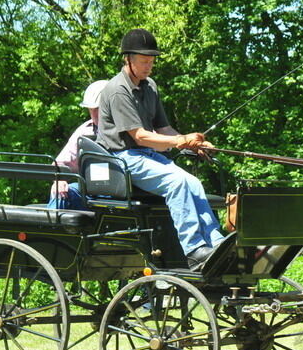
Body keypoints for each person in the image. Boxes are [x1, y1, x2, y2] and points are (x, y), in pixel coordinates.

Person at [97, 28, 226, 269]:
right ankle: (194, 248)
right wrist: (180, 141)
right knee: (176, 183)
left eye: (152, 62)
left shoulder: (150, 86)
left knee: (194, 183)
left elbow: (163, 127)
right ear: (128, 59)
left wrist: (192, 142)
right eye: (144, 61)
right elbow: (141, 136)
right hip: (122, 157)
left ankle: (217, 243)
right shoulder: (117, 90)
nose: (149, 66)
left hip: (147, 155)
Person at [47, 80, 108, 210]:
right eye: (91, 110)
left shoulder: (133, 127)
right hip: (90, 192)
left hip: (125, 194)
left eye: (98, 109)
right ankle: (47, 228)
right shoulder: (85, 130)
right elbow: (61, 163)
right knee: (62, 192)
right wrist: (60, 180)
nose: (95, 115)